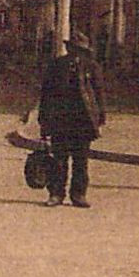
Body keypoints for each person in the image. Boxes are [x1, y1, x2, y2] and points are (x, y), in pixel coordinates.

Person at [38, 29, 106, 208]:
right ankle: (56, 194)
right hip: (61, 119)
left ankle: (78, 194)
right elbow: (46, 94)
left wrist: (100, 119)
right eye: (72, 50)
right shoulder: (56, 66)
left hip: (83, 120)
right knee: (59, 159)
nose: (75, 55)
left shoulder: (92, 67)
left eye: (79, 51)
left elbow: (98, 94)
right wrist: (43, 120)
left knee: (81, 160)